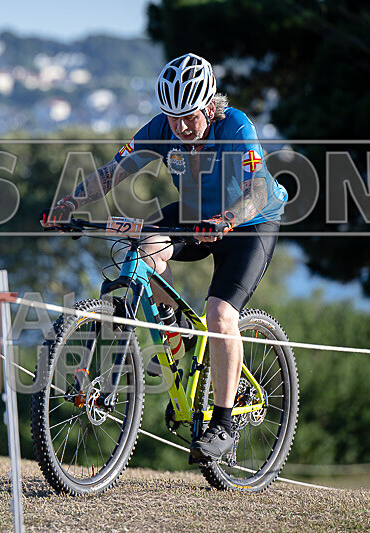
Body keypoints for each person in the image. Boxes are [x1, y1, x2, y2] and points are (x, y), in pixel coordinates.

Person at [43, 53, 288, 463]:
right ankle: (176, 327)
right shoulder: (163, 128)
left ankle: (225, 423)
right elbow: (112, 172)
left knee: (221, 313)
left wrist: (227, 219)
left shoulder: (236, 126)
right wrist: (69, 201)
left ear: (211, 105)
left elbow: (258, 190)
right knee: (136, 248)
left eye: (189, 117)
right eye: (173, 118)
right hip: (195, 215)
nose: (180, 127)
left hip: (249, 223)